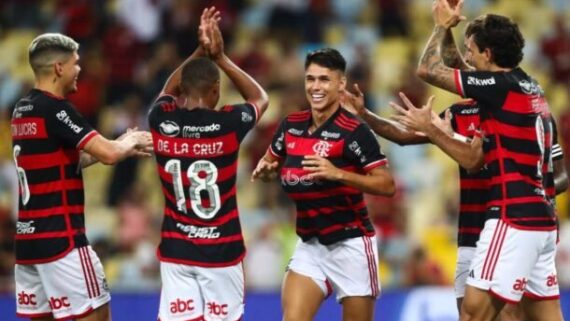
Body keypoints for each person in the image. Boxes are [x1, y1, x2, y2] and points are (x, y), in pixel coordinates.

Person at [411, 1, 565, 320]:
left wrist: (440, 26)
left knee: (472, 313)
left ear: (489, 54)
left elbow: (428, 70)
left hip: (513, 217)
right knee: (546, 315)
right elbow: (464, 70)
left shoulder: (499, 89)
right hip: (543, 222)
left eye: (472, 50)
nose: (468, 56)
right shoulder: (527, 86)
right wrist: (454, 30)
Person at [11, 33, 152, 321]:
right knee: (98, 315)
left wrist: (119, 146)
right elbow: (109, 155)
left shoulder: (22, 110)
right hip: (62, 240)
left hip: (29, 244)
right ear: (59, 68)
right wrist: (131, 139)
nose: (80, 70)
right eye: (76, 63)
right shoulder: (56, 109)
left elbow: (61, 162)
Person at [252, 48, 395, 321]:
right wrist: (266, 171)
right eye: (310, 79)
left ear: (340, 84)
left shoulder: (354, 131)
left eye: (324, 80)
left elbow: (387, 185)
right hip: (310, 245)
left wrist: (338, 173)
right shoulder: (290, 125)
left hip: (351, 244)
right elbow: (270, 163)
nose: (315, 87)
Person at [147, 8, 269, 321]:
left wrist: (200, 51)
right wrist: (221, 58)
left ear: (182, 93)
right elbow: (260, 99)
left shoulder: (161, 120)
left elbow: (166, 91)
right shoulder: (228, 124)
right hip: (222, 252)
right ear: (215, 90)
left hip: (176, 251)